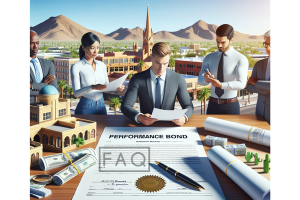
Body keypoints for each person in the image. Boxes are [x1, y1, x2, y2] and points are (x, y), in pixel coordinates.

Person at [121, 42, 194, 126]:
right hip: (145, 128)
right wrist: (139, 117)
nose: (161, 68)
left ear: (169, 59)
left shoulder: (178, 79)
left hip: (169, 127)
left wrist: (184, 117)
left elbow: (188, 106)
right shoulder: (137, 79)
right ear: (151, 58)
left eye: (165, 63)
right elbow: (125, 106)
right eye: (158, 63)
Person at [198, 24, 248, 114]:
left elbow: (241, 84)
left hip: (231, 107)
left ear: (231, 40)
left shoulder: (240, 59)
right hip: (212, 105)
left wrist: (221, 85)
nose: (219, 45)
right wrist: (206, 80)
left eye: (223, 42)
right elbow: (199, 80)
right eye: (217, 41)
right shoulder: (209, 58)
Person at [71, 32, 124, 115]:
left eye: (98, 47)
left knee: (104, 128)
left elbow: (106, 86)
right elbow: (76, 93)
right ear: (83, 48)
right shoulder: (76, 66)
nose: (96, 51)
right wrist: (92, 87)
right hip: (85, 107)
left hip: (102, 106)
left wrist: (116, 88)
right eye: (92, 48)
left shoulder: (102, 65)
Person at [246, 30, 270, 124]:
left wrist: (257, 83)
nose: (269, 48)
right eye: (266, 44)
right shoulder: (258, 64)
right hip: (260, 113)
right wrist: (267, 89)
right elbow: (249, 87)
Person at [30, 30, 57, 103]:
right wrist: (44, 85)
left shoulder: (48, 64)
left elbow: (53, 89)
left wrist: (31, 86)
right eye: (31, 43)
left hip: (46, 109)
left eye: (37, 43)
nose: (35, 46)